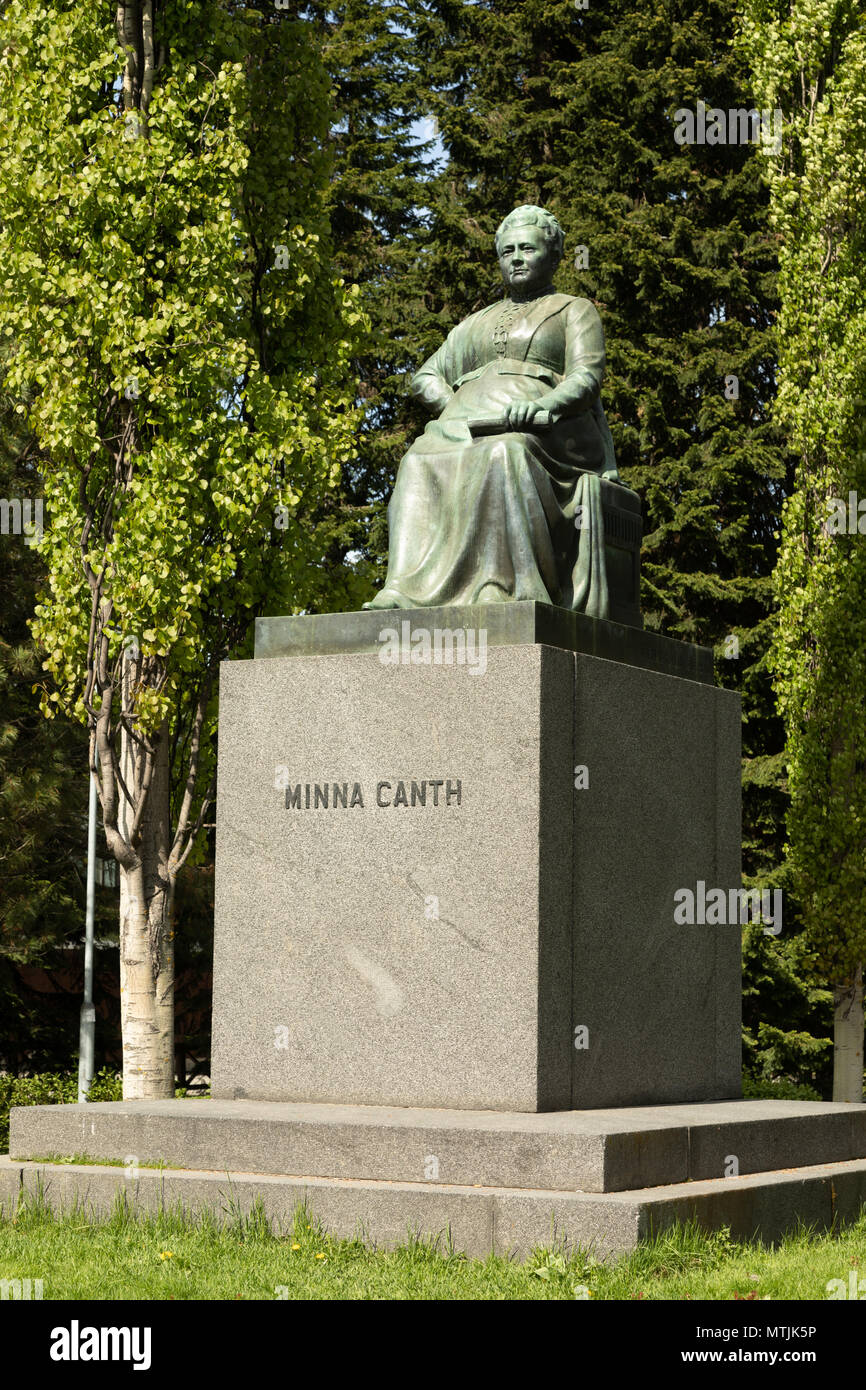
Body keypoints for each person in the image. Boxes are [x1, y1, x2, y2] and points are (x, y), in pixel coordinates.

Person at [364, 205, 627, 615]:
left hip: (554, 435)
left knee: (504, 453)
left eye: (527, 248)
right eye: (507, 252)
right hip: (468, 426)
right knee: (416, 461)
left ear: (554, 255)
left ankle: (501, 585)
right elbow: (425, 376)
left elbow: (586, 377)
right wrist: (457, 405)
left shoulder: (574, 310)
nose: (516, 258)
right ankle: (405, 588)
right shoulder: (475, 323)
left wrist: (544, 405)